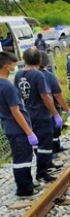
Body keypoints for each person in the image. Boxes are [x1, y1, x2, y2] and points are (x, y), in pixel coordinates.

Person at [14, 48, 62, 183]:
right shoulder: (38, 75)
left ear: (24, 59)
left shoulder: (18, 74)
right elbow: (46, 97)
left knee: (36, 145)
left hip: (27, 113)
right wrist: (55, 113)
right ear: (39, 60)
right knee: (45, 145)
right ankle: (42, 172)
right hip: (42, 114)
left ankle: (43, 168)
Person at [0, 52, 39, 197]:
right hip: (18, 129)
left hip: (8, 126)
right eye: (14, 65)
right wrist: (29, 132)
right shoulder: (8, 87)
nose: (15, 68)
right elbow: (16, 111)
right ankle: (25, 189)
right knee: (23, 159)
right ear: (7, 67)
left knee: (19, 157)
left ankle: (25, 184)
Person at [38, 51, 70, 156]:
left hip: (39, 108)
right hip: (53, 106)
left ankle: (55, 147)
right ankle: (52, 150)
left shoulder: (32, 75)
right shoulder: (49, 76)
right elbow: (58, 95)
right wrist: (68, 110)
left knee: (50, 130)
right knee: (53, 129)